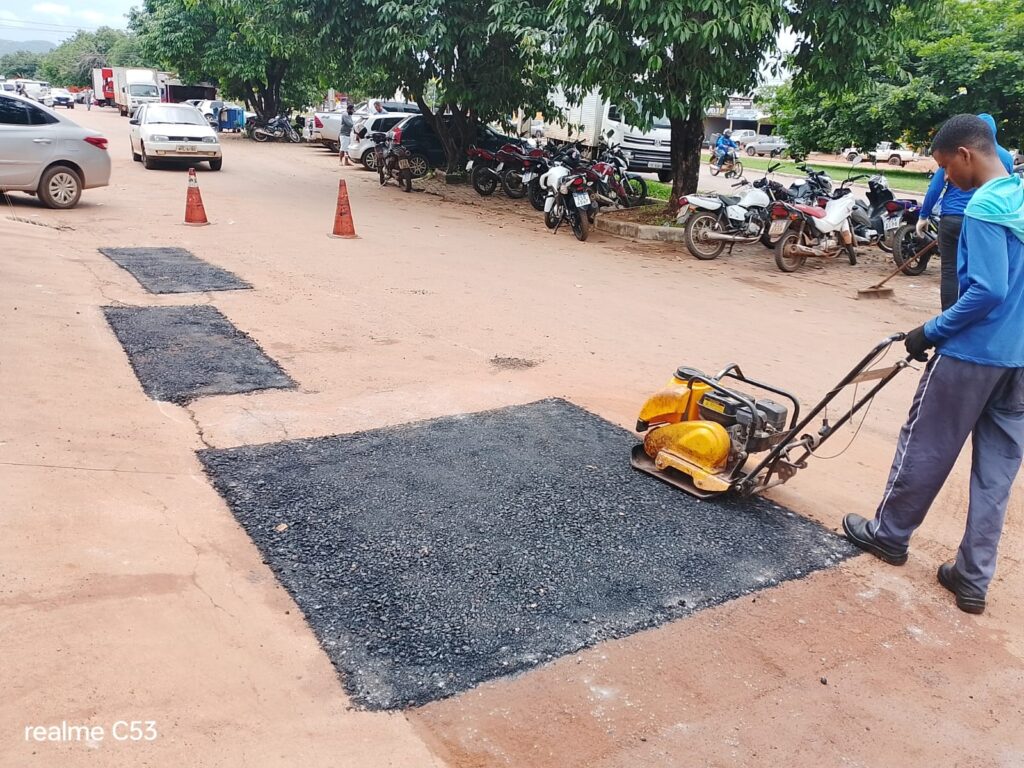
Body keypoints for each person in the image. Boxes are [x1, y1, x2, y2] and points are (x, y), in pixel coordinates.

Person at [842, 114, 1024, 615]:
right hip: (1018, 362)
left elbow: (988, 290)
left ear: (965, 154)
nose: (947, 179)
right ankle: (972, 579)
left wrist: (931, 331)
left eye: (945, 167)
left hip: (972, 354)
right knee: (996, 473)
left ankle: (889, 535)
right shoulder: (1020, 197)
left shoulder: (985, 205)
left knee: (925, 445)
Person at [917, 113, 1014, 310]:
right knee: (983, 271)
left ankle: (951, 314)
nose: (947, 174)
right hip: (995, 222)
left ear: (965, 153)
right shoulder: (1006, 162)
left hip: (954, 217)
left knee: (951, 270)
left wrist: (923, 215)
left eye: (945, 167)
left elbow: (936, 187)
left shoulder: (981, 206)